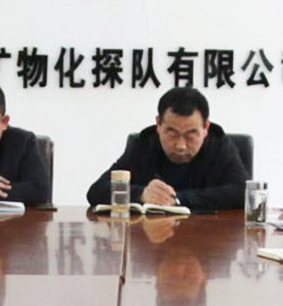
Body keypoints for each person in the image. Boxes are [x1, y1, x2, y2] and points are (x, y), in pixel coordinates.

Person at [84, 86, 248, 212]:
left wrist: (178, 199)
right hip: (153, 238)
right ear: (159, 124)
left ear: (206, 128)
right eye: (172, 134)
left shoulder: (219, 145)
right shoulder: (144, 144)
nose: (181, 145)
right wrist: (141, 194)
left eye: (190, 135)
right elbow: (96, 191)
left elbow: (243, 192)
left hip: (209, 238)